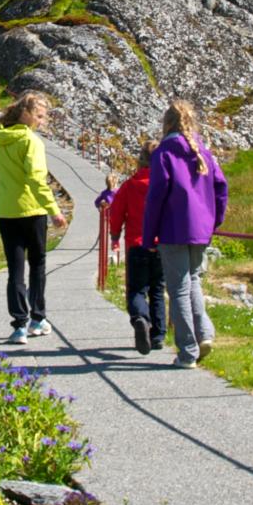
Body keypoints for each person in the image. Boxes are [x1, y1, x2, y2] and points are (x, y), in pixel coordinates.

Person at [142, 100, 228, 368]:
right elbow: (221, 188)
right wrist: (214, 221)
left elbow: (156, 197)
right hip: (201, 228)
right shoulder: (203, 152)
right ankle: (204, 334)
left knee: (178, 289)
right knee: (193, 281)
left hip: (173, 228)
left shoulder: (164, 153)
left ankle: (187, 351)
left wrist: (149, 235)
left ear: (166, 123)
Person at [0, 91, 66, 345]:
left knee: (15, 269)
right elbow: (36, 179)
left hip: (6, 209)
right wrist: (54, 210)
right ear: (27, 114)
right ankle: (37, 318)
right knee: (37, 264)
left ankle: (19, 325)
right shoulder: (31, 142)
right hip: (32, 210)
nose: (42, 122)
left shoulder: (0, 139)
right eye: (40, 116)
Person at [107, 143, 165, 355]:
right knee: (158, 289)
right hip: (161, 245)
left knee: (137, 290)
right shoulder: (165, 184)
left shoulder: (130, 185)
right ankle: (158, 336)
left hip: (136, 244)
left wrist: (114, 235)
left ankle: (141, 317)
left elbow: (116, 212)